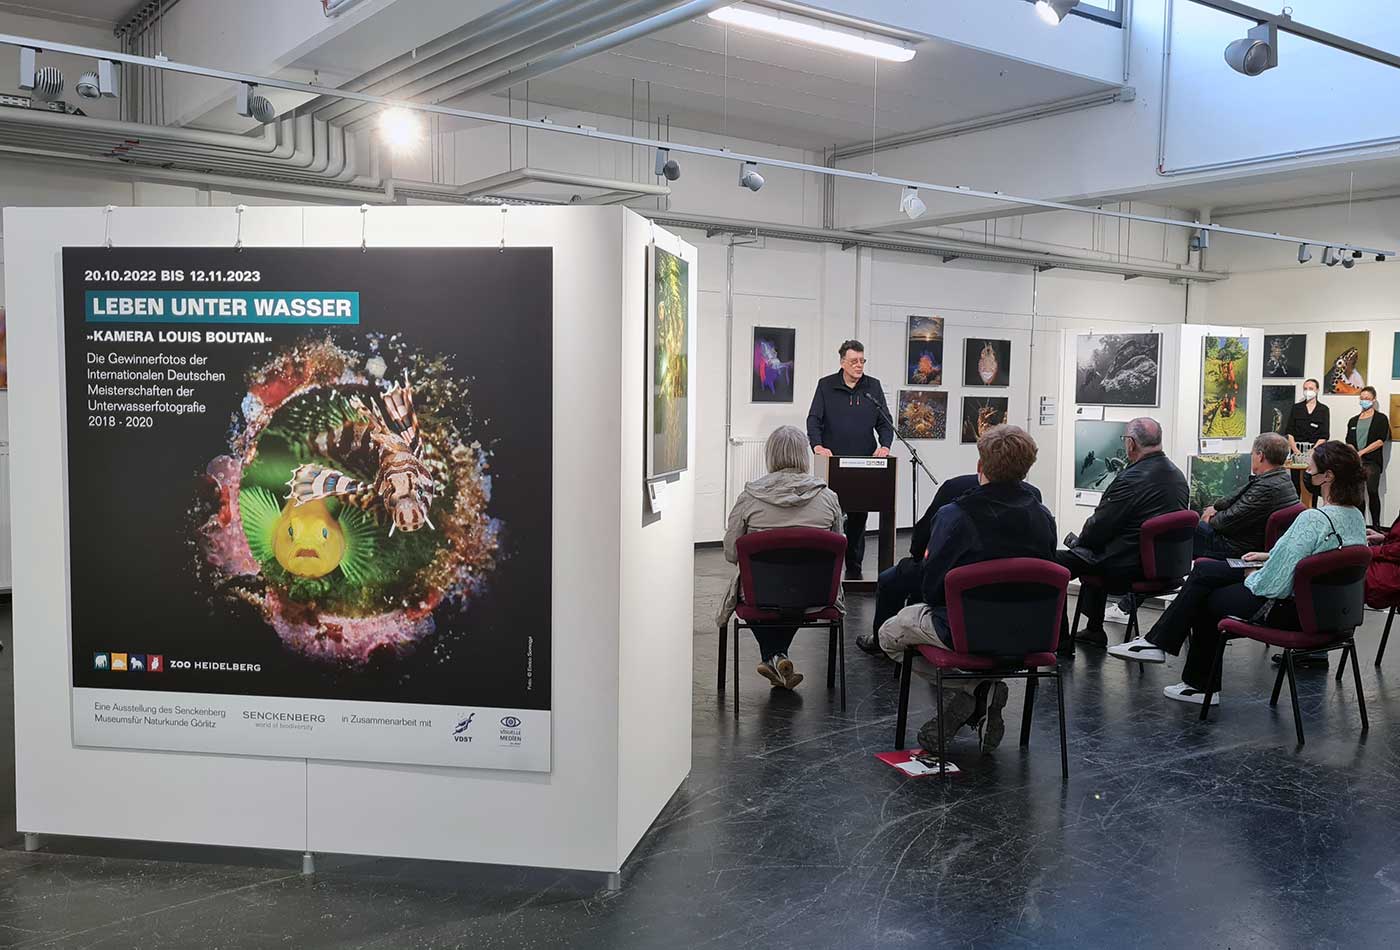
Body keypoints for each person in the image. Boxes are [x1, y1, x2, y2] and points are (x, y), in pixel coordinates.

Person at [1107, 441, 1368, 704]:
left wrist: (1251, 575)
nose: (1307, 474)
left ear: (1328, 476)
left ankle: (1191, 677)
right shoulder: (1354, 516)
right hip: (1326, 612)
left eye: (1311, 470)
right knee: (1206, 571)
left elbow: (1273, 585)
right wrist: (1267, 557)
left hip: (1289, 610)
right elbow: (1317, 556)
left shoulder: (1314, 519)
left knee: (1206, 597)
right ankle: (1162, 648)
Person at [877, 425, 1055, 754]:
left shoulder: (955, 515)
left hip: (967, 630)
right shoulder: (1043, 517)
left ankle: (974, 688)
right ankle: (980, 692)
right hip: (1032, 633)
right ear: (1027, 469)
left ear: (980, 467)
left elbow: (932, 589)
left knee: (889, 634)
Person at [717, 425, 844, 691]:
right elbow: (839, 551)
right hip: (816, 595)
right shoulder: (829, 498)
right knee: (796, 592)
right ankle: (778, 657)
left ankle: (774, 656)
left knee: (762, 592)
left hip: (760, 595)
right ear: (804, 456)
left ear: (770, 455)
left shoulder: (750, 497)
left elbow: (731, 552)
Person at [858, 474, 1044, 655]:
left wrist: (919, 557)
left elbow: (930, 574)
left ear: (981, 465)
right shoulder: (1038, 507)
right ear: (1026, 469)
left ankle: (881, 643)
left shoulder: (955, 493)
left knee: (891, 583)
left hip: (963, 608)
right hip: (1026, 625)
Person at [1054, 417, 1188, 647]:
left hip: (1128, 565)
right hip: (1165, 564)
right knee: (1089, 551)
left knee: (1055, 564)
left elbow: (1099, 527)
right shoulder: (1177, 475)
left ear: (1131, 443)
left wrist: (1082, 542)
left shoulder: (1130, 479)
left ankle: (1060, 641)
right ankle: (1094, 629)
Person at [806, 340, 894, 579]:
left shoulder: (872, 387)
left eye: (862, 361)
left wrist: (885, 446)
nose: (859, 365)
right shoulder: (826, 386)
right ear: (842, 362)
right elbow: (814, 420)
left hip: (863, 466)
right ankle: (826, 570)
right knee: (830, 517)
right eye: (854, 361)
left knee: (857, 519)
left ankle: (854, 570)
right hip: (833, 466)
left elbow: (885, 423)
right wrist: (817, 446)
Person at [1195, 432, 1298, 559]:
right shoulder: (1284, 480)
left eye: (1252, 453)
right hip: (1253, 542)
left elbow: (1225, 522)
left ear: (1260, 456)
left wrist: (1210, 518)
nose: (1251, 457)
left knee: (1192, 526)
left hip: (1240, 548)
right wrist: (1215, 509)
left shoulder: (1265, 488)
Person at [1345, 386, 1390, 529]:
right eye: (1362, 398)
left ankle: (1376, 526)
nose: (1364, 401)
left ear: (1374, 400)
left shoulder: (1381, 418)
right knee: (1358, 495)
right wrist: (1354, 453)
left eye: (1367, 399)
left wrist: (1362, 452)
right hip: (1356, 462)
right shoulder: (1353, 420)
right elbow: (1349, 441)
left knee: (1372, 491)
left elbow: (1380, 440)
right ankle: (1360, 525)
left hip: (1372, 461)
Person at [1285, 378, 1330, 506]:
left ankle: (1312, 511)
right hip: (1297, 455)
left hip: (1314, 454)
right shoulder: (1296, 408)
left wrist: (1312, 451)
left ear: (1317, 390)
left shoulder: (1323, 410)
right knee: (1295, 485)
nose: (1308, 391)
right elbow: (1290, 432)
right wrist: (1296, 451)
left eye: (1311, 389)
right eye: (1305, 389)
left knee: (1311, 485)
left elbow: (1324, 435)